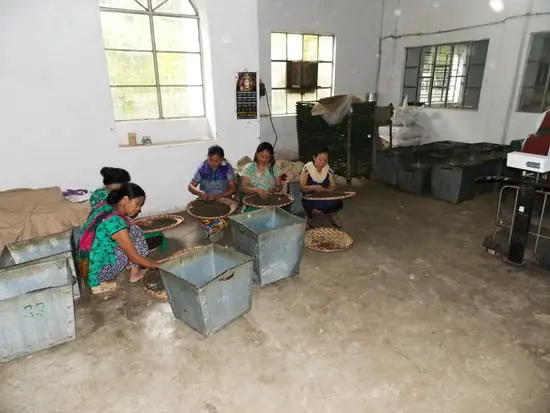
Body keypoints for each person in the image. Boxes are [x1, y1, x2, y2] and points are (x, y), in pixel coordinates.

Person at [78, 183, 158, 291]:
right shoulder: (116, 223)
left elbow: (98, 193)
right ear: (125, 199)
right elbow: (135, 257)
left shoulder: (104, 204)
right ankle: (135, 274)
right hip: (97, 274)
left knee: (131, 228)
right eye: (137, 203)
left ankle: (129, 267)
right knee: (135, 235)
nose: (139, 209)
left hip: (85, 266)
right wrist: (156, 265)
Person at [188, 145, 236, 240]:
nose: (213, 163)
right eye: (210, 160)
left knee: (228, 214)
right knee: (199, 213)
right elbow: (190, 186)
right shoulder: (202, 168)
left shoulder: (226, 168)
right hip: (206, 199)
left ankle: (210, 230)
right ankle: (214, 230)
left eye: (216, 161)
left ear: (221, 159)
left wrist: (217, 197)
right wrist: (200, 193)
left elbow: (233, 189)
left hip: (223, 199)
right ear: (207, 157)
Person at [300, 146, 343, 228]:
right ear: (314, 157)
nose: (323, 163)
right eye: (320, 160)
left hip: (324, 196)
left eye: (325, 160)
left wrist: (326, 190)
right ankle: (311, 215)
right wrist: (313, 187)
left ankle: (331, 215)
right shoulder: (307, 168)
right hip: (310, 197)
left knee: (337, 201)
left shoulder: (328, 169)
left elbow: (333, 186)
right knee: (309, 205)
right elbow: (302, 187)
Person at [240, 142, 282, 211]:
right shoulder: (249, 168)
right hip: (252, 201)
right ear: (257, 154)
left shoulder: (273, 168)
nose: (264, 159)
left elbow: (279, 185)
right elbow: (244, 188)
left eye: (268, 157)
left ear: (271, 157)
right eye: (262, 156)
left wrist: (275, 189)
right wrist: (256, 190)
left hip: (270, 201)